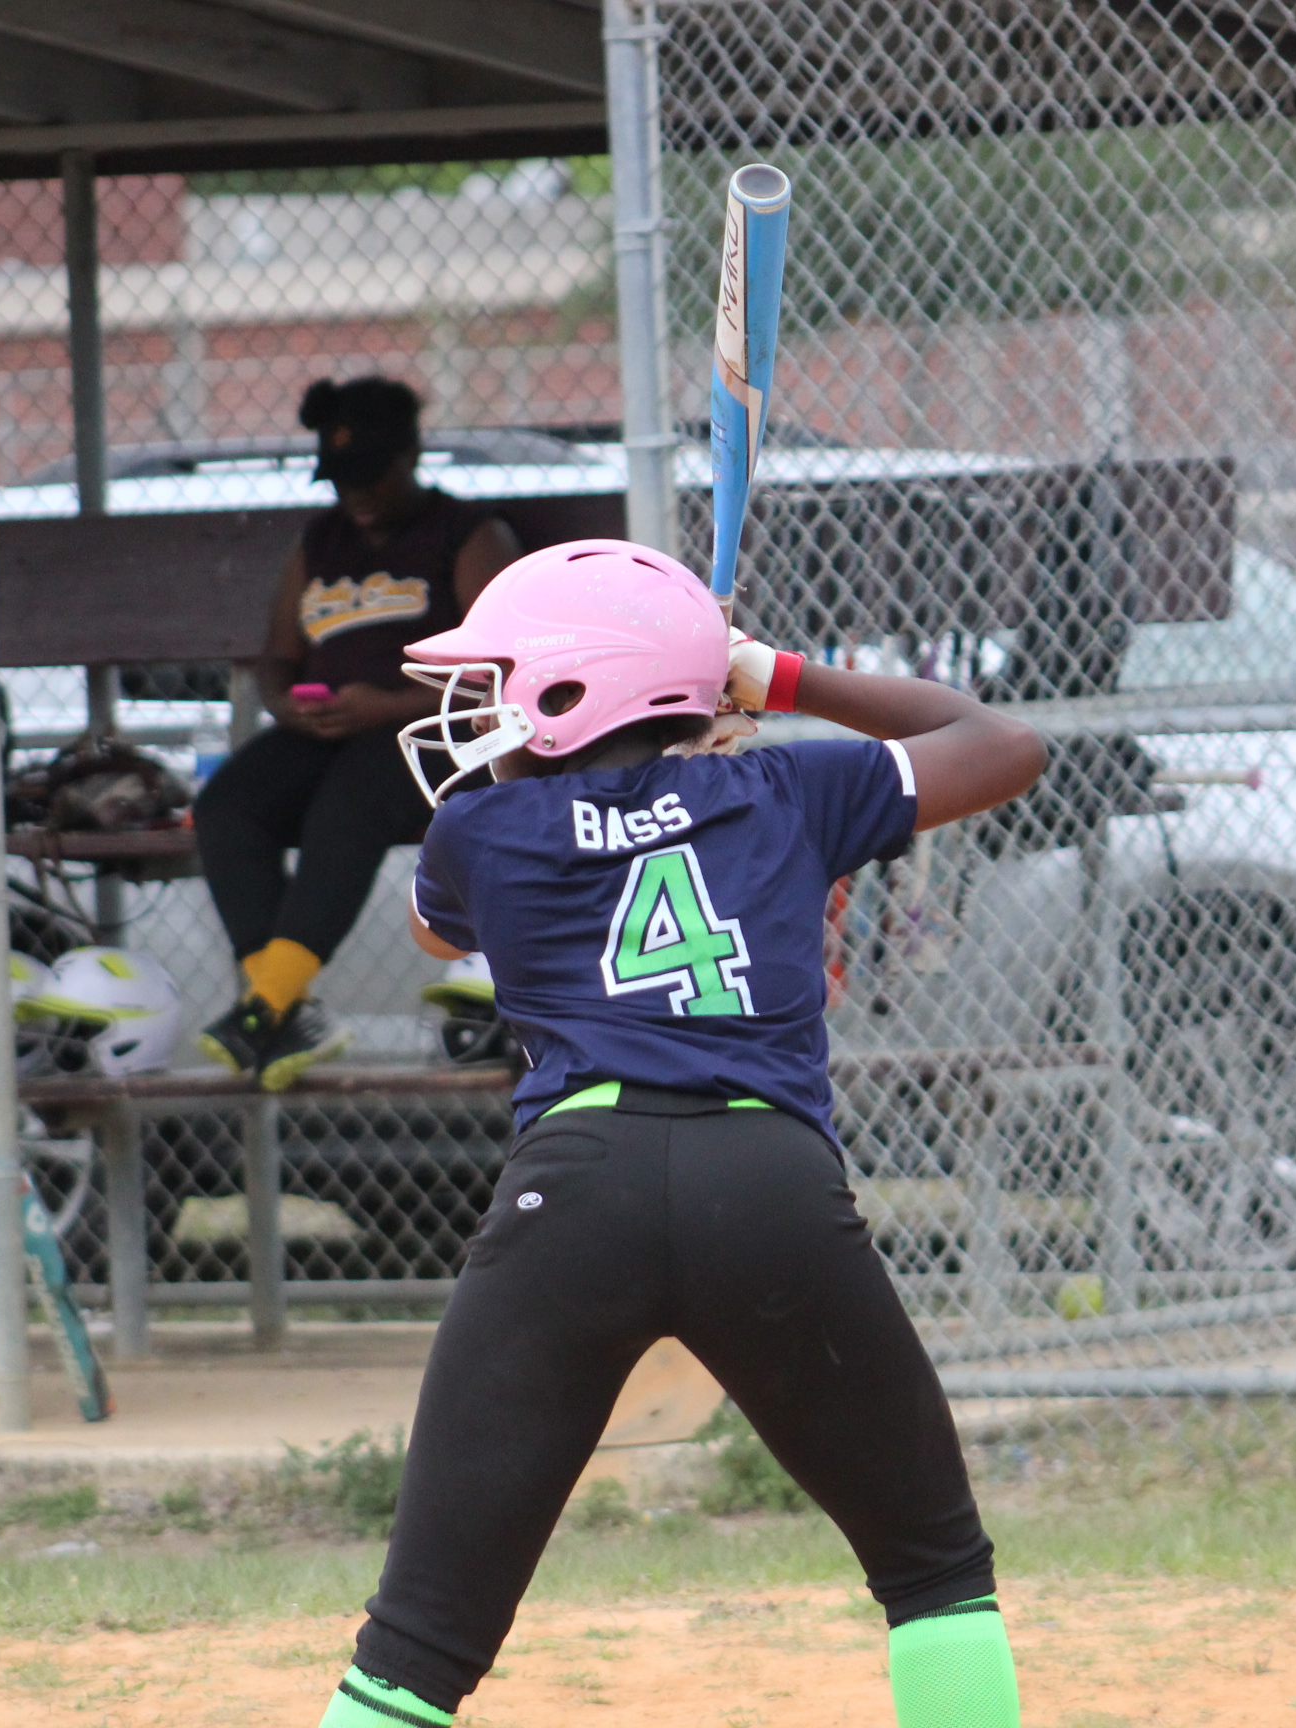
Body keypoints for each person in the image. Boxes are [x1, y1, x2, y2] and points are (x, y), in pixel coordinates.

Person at [310, 539, 1045, 1728]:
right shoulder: (785, 790)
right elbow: (1001, 744)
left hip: (574, 1196)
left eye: (501, 685)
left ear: (573, 694)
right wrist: (775, 679)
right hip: (767, 1188)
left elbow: (440, 930)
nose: (481, 712)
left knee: (418, 1640)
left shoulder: (478, 834)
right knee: (935, 1574)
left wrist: (669, 772)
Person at [193, 375, 520, 1089]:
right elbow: (277, 659)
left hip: (433, 734)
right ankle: (282, 1005)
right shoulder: (322, 540)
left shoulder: (467, 534)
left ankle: (264, 1008)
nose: (357, 495)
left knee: (351, 801)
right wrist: (286, 705)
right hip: (329, 730)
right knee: (227, 804)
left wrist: (391, 705)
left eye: (372, 476)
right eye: (343, 480)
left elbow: (500, 667)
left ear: (412, 455)